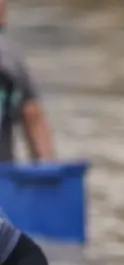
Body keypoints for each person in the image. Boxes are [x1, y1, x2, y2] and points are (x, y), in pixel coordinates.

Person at [0, 0, 55, 163]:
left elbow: (32, 115)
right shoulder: (10, 58)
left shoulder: (10, 59)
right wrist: (47, 176)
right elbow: (33, 117)